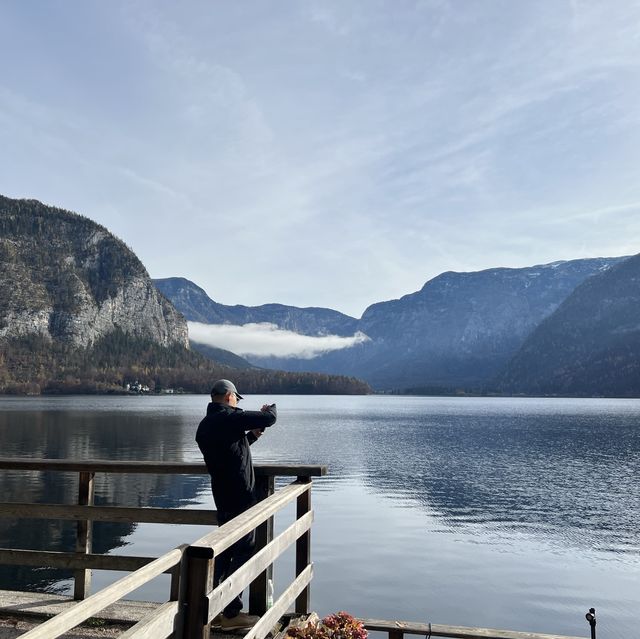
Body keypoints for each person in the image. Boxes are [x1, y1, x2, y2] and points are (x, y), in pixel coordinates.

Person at [195, 379, 277, 630]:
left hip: (222, 495)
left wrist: (249, 437)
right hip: (241, 497)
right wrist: (270, 409)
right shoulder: (230, 418)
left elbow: (231, 452)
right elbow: (270, 419)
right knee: (244, 550)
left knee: (226, 552)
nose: (237, 403)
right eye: (237, 399)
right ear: (229, 396)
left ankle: (214, 609)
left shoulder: (206, 426)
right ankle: (231, 613)